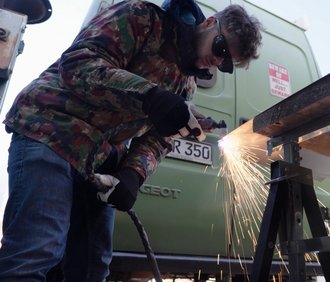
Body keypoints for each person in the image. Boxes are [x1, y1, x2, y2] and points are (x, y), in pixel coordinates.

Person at [0, 0, 263, 280]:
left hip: (98, 160)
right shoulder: (142, 18)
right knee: (39, 248)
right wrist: (150, 96)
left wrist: (132, 174)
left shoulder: (185, 83)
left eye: (226, 62)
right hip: (51, 129)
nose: (218, 60)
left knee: (93, 265)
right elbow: (79, 64)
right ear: (210, 23)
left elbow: (160, 138)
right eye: (221, 49)